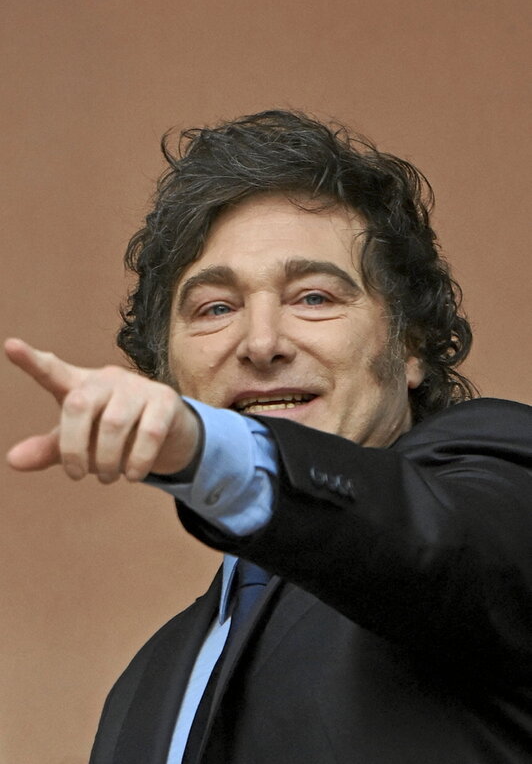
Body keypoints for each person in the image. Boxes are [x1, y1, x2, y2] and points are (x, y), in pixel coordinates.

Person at [5, 110, 532, 763]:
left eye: (313, 298)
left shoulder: (505, 479)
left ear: (411, 344)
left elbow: (443, 544)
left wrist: (207, 448)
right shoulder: (144, 687)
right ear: (165, 370)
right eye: (216, 308)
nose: (260, 343)